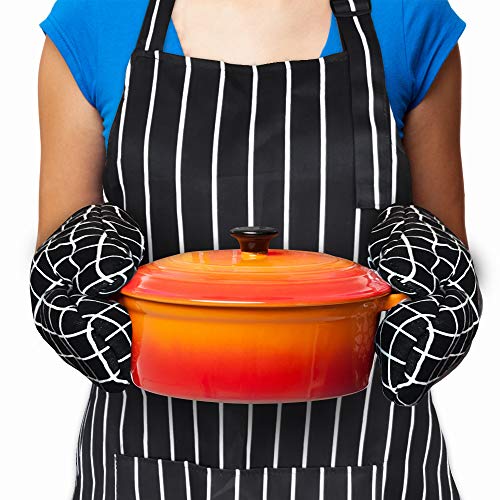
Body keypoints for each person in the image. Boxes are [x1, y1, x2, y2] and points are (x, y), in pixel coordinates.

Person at [32, 0, 479, 498]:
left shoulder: (409, 14)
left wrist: (440, 278)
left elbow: (447, 268)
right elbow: (59, 266)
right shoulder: (94, 16)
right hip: (147, 467)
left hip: (373, 465)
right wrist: (72, 266)